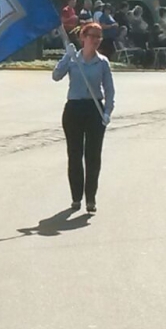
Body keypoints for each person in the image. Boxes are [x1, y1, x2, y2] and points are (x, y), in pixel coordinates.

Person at [52, 21, 115, 213]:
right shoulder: (73, 59)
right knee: (75, 154)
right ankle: (76, 198)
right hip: (74, 109)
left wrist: (107, 112)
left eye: (99, 37)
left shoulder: (102, 62)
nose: (96, 40)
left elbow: (110, 91)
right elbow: (56, 76)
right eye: (92, 36)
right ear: (83, 38)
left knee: (93, 156)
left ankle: (91, 199)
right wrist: (66, 57)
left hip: (94, 108)